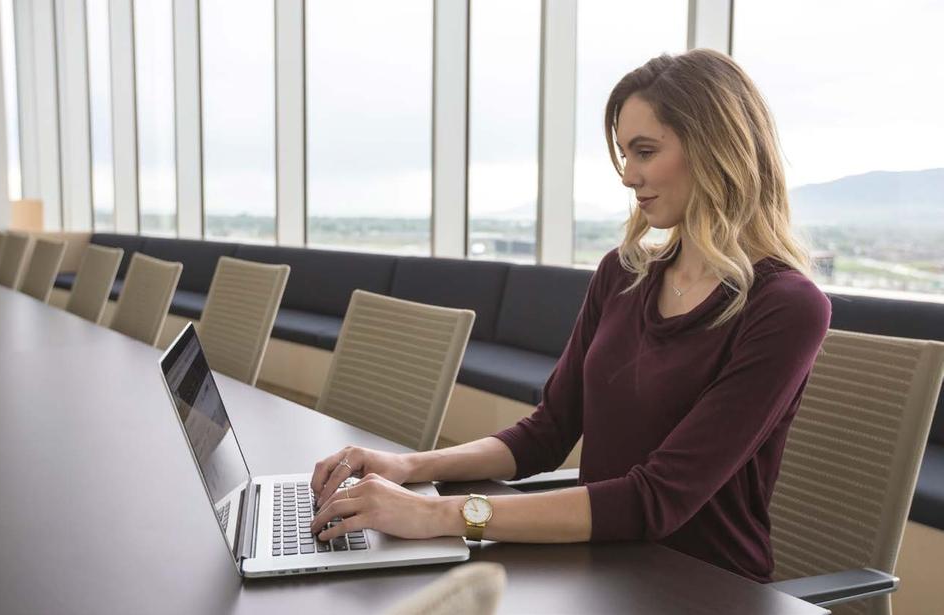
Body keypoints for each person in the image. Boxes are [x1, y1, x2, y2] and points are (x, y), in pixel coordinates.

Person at [308, 48, 832, 583]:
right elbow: (548, 431)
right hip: (597, 564)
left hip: (702, 587)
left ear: (715, 149)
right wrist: (410, 466)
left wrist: (439, 514)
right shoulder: (622, 274)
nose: (629, 176)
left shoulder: (786, 308)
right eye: (625, 154)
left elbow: (656, 500)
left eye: (645, 152)